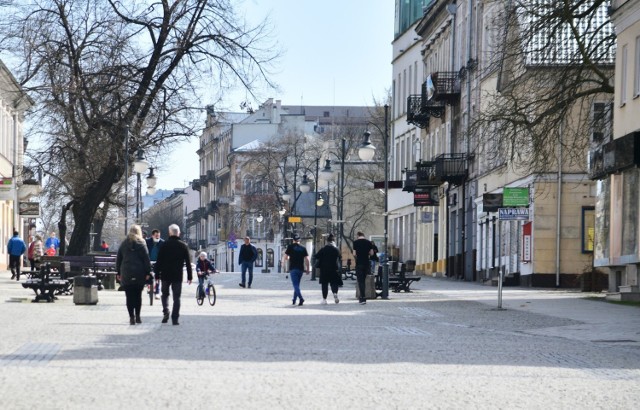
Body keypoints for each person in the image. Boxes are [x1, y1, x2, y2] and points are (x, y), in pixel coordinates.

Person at [154, 224, 193, 325]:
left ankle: (166, 311)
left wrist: (157, 275)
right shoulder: (183, 245)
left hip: (165, 274)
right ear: (178, 233)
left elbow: (159, 261)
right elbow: (188, 262)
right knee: (177, 297)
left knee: (165, 294)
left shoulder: (164, 245)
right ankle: (175, 318)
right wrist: (189, 276)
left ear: (169, 233)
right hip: (177, 275)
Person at [116, 225, 152, 325]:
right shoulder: (142, 243)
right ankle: (138, 316)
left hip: (126, 272)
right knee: (138, 296)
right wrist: (148, 272)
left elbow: (119, 258)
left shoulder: (124, 243)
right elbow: (146, 259)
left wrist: (118, 272)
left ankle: (131, 317)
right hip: (139, 272)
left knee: (129, 296)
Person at [283, 233, 310, 306]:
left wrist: (287, 259)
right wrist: (308, 269)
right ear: (299, 240)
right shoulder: (303, 248)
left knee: (295, 285)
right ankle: (294, 300)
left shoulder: (290, 247)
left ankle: (301, 298)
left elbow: (286, 257)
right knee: (297, 284)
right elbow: (307, 259)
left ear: (293, 240)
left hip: (293, 268)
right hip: (300, 269)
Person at [315, 234, 343, 304]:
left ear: (327, 241)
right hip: (334, 269)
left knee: (324, 284)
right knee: (334, 283)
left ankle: (324, 299)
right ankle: (335, 293)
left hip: (324, 269)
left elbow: (316, 256)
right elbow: (340, 257)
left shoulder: (323, 249)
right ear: (333, 241)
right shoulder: (336, 250)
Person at [353, 231, 374, 305]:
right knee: (364, 280)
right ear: (363, 235)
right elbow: (371, 253)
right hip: (366, 263)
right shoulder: (369, 242)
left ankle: (362, 297)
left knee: (360, 281)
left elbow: (354, 254)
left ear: (358, 235)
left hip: (359, 263)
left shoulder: (355, 242)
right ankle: (363, 297)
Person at [146, 229, 164, 299]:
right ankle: (148, 286)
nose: (157, 237)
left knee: (157, 277)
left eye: (158, 236)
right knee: (147, 273)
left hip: (158, 262)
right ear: (152, 235)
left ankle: (157, 292)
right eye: (156, 235)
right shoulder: (147, 242)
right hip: (148, 261)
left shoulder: (162, 242)